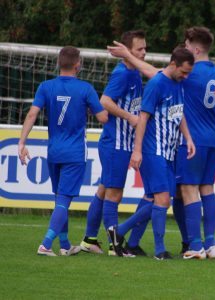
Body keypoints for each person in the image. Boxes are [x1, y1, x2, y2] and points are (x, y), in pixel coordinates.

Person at [107, 27, 215, 260]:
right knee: (196, 191)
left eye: (186, 46)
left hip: (181, 145)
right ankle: (201, 245)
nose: (184, 49)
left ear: (194, 50)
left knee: (173, 194)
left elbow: (155, 77)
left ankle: (184, 242)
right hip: (199, 140)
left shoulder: (186, 76)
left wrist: (128, 55)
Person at [18, 46, 108, 256]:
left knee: (59, 198)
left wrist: (22, 143)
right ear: (78, 65)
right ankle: (46, 244)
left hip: (54, 151)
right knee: (64, 200)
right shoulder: (85, 89)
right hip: (75, 152)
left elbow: (32, 114)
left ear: (58, 64)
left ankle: (65, 245)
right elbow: (103, 117)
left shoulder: (45, 86)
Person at [79, 30, 147, 257]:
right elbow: (104, 101)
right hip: (115, 143)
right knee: (114, 194)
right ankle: (114, 245)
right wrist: (129, 117)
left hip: (121, 143)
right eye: (139, 49)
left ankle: (89, 240)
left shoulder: (135, 72)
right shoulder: (122, 74)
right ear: (127, 51)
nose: (144, 52)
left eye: (145, 48)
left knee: (103, 190)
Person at [130, 46, 196, 260]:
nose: (185, 76)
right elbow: (143, 118)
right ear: (173, 64)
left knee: (155, 198)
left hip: (170, 152)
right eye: (184, 71)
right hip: (153, 149)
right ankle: (160, 250)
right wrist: (137, 151)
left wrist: (188, 138)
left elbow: (179, 113)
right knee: (162, 199)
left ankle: (122, 233)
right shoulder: (157, 83)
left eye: (188, 73)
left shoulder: (179, 84)